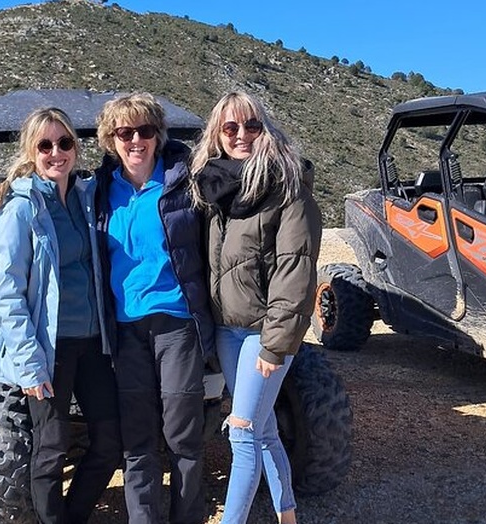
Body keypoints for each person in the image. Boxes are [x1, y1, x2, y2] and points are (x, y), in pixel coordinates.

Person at [0, 107, 122, 524]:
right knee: (51, 445)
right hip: (48, 347)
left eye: (64, 143)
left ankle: (73, 515)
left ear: (75, 149)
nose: (56, 152)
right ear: (32, 151)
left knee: (110, 441)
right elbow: (7, 292)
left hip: (92, 341)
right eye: (45, 145)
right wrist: (29, 362)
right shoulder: (21, 208)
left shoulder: (82, 197)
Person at [190, 92, 322, 524]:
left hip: (263, 334)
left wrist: (275, 345)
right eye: (231, 128)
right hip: (228, 331)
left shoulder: (288, 190)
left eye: (251, 125)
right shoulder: (215, 190)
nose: (242, 135)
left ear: (265, 129)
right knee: (262, 430)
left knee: (243, 431)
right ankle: (287, 514)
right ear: (218, 134)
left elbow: (295, 272)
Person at [93, 92, 215, 524]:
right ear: (111, 139)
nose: (136, 140)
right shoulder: (99, 192)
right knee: (137, 438)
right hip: (126, 329)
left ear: (158, 135)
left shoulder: (185, 182)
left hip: (177, 323)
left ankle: (188, 517)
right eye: (125, 132)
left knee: (183, 433)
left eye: (145, 130)